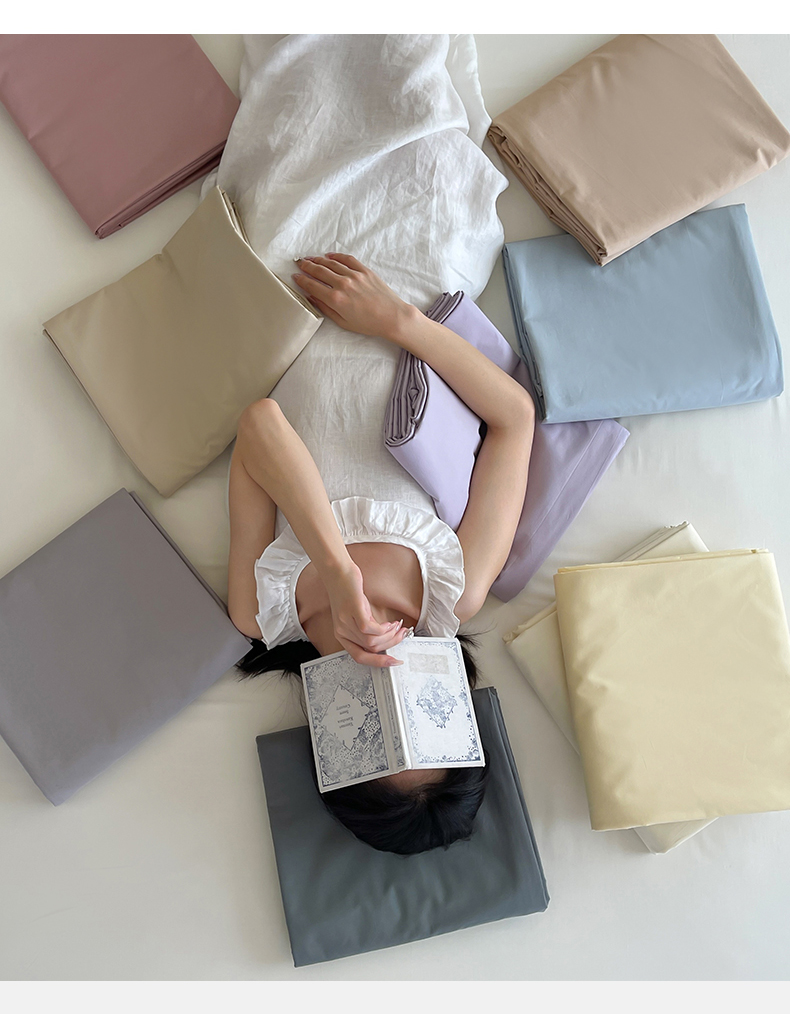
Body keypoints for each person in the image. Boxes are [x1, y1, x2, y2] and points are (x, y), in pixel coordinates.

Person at [227, 253, 535, 854]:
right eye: (419, 714)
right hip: (412, 285)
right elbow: (514, 419)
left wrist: (338, 572)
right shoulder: (455, 590)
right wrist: (397, 319)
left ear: (329, 739)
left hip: (284, 296)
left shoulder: (260, 610)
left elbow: (260, 425)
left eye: (374, 729)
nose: (387, 689)